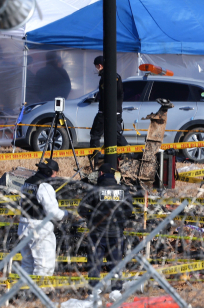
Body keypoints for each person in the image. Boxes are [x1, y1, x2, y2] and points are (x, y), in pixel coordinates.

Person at [78, 163, 133, 292]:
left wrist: (92, 219)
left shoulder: (94, 190)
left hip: (97, 234)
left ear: (101, 174)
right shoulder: (123, 190)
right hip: (116, 233)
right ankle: (116, 291)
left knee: (95, 264)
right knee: (116, 264)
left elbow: (81, 209)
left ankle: (94, 290)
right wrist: (119, 221)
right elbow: (129, 210)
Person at [18, 159, 69, 276]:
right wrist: (67, 214)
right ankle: (40, 292)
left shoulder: (27, 182)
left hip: (24, 226)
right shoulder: (44, 186)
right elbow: (53, 213)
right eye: (55, 173)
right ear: (50, 172)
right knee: (44, 265)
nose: (56, 177)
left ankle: (25, 292)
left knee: (27, 264)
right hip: (39, 229)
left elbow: (21, 203)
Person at [90, 55, 128, 151]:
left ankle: (94, 157)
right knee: (116, 136)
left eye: (96, 66)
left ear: (100, 65)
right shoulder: (114, 75)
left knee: (96, 134)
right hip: (114, 111)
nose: (96, 69)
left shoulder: (107, 77)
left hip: (107, 111)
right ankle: (126, 153)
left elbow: (108, 95)